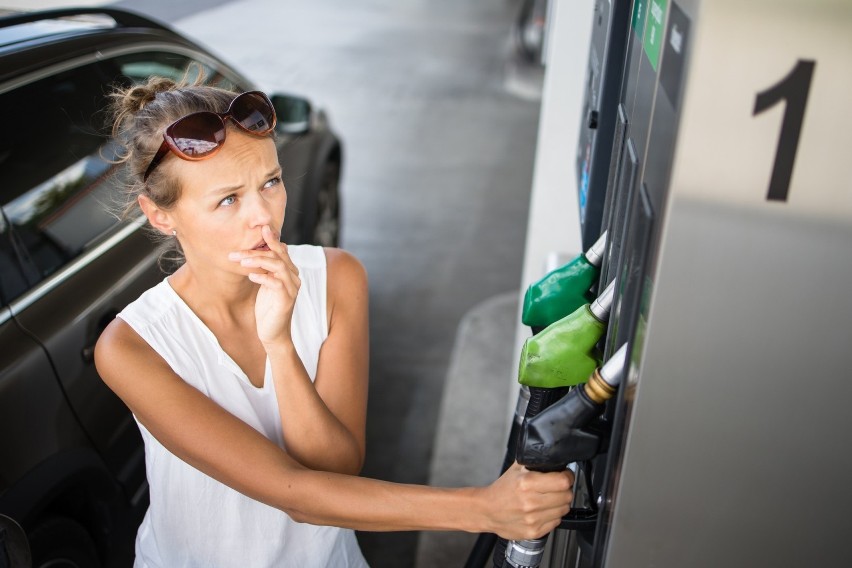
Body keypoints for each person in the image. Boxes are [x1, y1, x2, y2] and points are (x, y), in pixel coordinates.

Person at [95, 75, 574, 568]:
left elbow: (337, 467)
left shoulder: (337, 278)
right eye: (228, 199)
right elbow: (298, 496)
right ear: (160, 215)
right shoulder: (134, 347)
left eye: (271, 182)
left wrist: (280, 345)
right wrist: (485, 509)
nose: (264, 216)